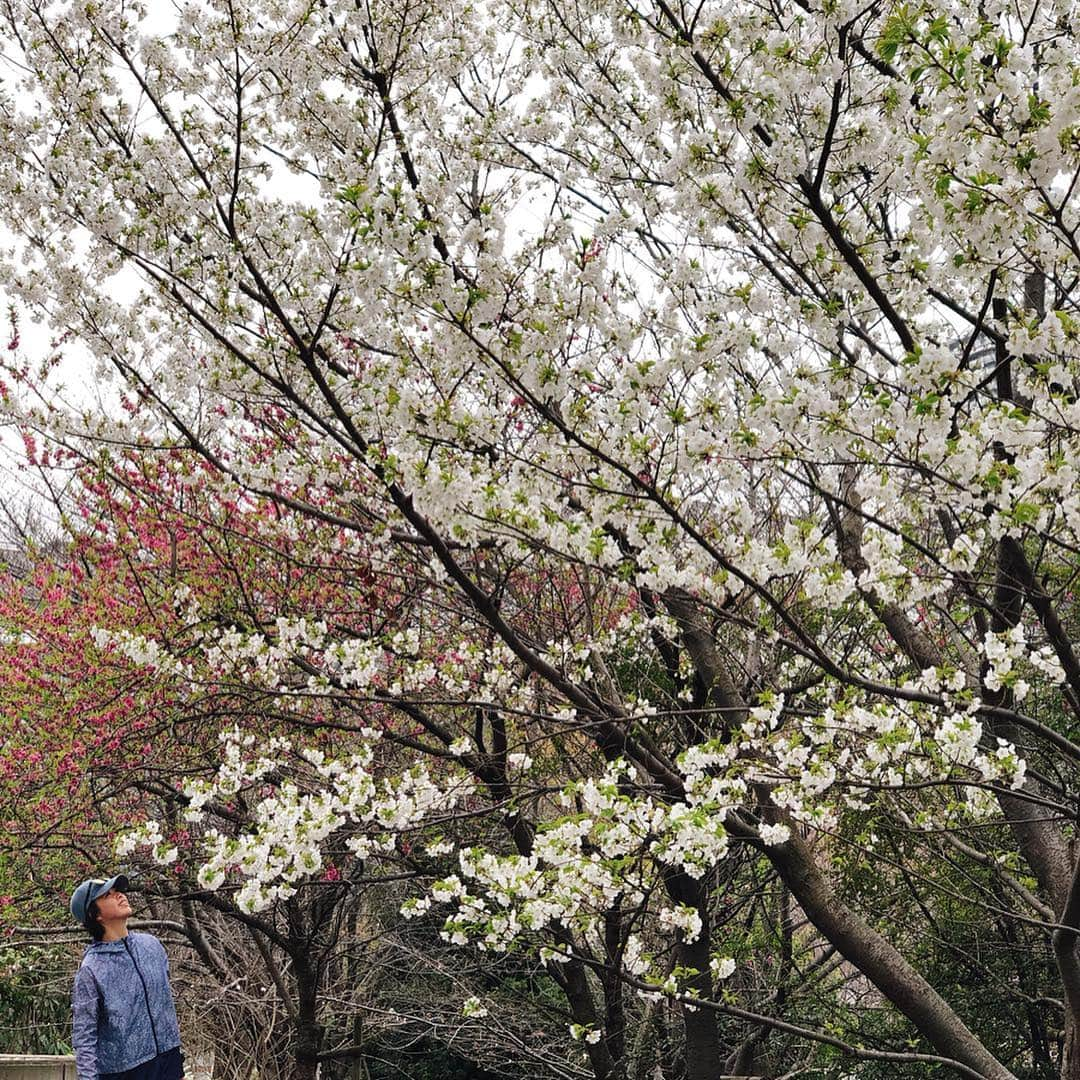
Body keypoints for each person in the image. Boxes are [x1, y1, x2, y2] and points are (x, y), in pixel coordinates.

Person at [69, 874, 184, 1080]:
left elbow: (166, 1006)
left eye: (118, 891)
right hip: (125, 1072)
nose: (120, 896)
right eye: (108, 895)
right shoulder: (92, 969)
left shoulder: (152, 946)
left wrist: (176, 1064)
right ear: (95, 915)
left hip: (168, 1060)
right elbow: (84, 1036)